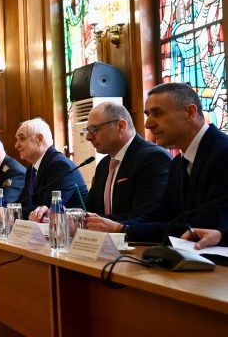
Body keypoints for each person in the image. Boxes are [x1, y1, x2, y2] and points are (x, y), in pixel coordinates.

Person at [86, 83, 228, 248]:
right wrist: (117, 227)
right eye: (147, 114)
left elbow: (203, 225)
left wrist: (123, 229)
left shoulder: (223, 153)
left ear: (190, 113)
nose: (148, 124)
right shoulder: (178, 163)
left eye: (157, 113)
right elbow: (159, 216)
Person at [80, 102, 171, 222]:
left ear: (121, 126)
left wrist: (98, 222)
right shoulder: (104, 165)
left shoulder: (153, 158)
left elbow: (147, 216)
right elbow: (91, 210)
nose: (88, 137)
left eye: (94, 129)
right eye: (87, 131)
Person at [15, 118, 88, 220]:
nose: (16, 145)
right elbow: (22, 203)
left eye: (22, 138)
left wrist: (7, 211)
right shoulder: (32, 169)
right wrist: (2, 209)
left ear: (40, 139)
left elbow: (47, 209)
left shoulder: (59, 165)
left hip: (72, 227)